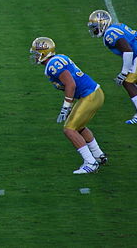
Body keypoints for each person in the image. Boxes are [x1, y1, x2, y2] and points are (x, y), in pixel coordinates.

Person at [29, 37, 108, 174]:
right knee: (79, 126)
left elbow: (71, 84)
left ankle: (90, 163)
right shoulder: (58, 58)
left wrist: (66, 106)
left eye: (37, 53)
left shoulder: (52, 66)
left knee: (69, 129)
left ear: (45, 53)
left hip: (89, 95)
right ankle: (98, 155)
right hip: (95, 93)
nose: (35, 56)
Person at [88, 10, 137, 124]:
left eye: (95, 26)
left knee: (127, 81)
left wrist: (123, 73)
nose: (94, 29)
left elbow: (128, 51)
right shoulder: (116, 26)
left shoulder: (109, 34)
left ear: (103, 24)